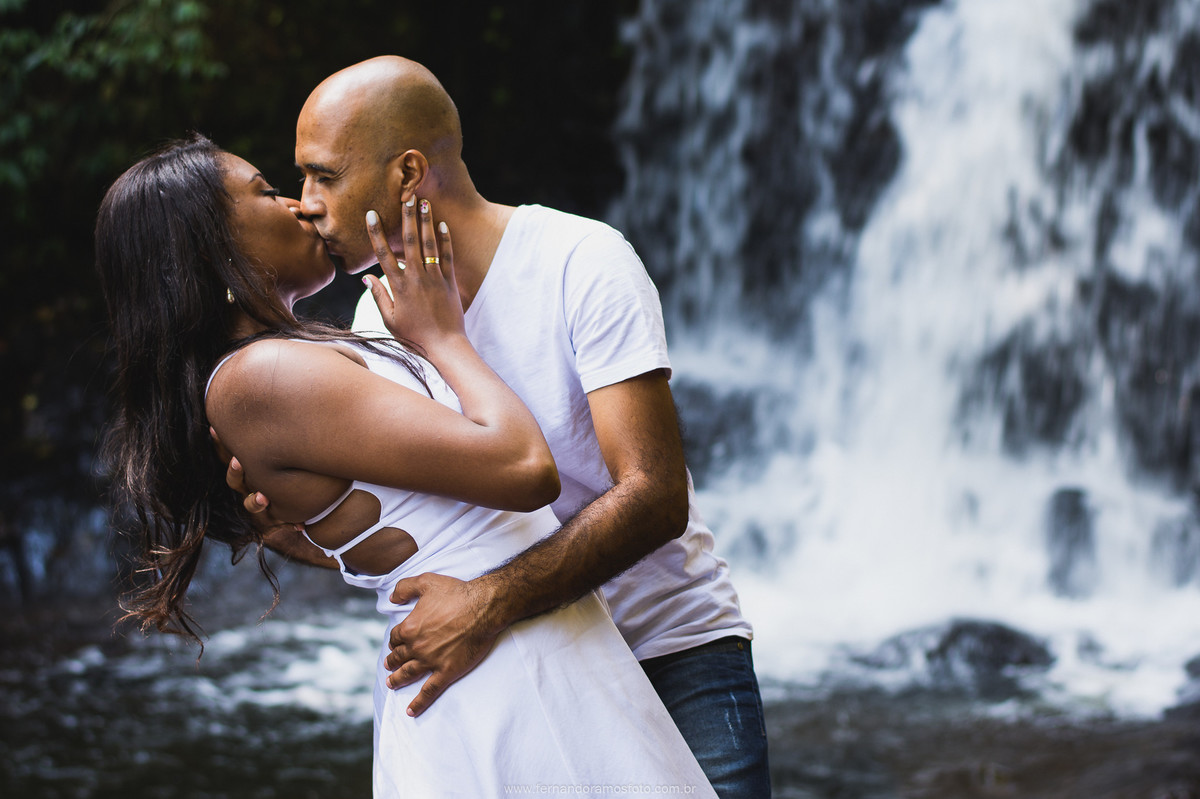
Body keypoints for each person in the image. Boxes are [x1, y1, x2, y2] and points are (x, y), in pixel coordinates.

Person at [93, 133, 717, 797]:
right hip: (510, 677)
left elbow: (409, 521)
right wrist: (444, 336)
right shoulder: (265, 375)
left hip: (519, 650)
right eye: (267, 192)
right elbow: (527, 469)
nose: (300, 207)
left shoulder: (287, 361)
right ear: (208, 243)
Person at [233, 55, 770, 797]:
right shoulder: (371, 317)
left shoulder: (581, 261)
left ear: (408, 172)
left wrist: (486, 604)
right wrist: (300, 533)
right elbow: (442, 537)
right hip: (535, 660)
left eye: (323, 175)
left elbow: (653, 495)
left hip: (670, 650)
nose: (307, 203)